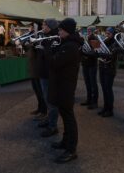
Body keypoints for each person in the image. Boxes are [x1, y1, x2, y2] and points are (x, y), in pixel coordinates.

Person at [47, 18, 82, 164]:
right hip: (63, 85)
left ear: (67, 31)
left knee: (68, 118)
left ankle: (71, 150)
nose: (59, 31)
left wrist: (48, 49)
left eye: (61, 30)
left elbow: (54, 62)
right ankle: (65, 142)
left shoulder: (70, 46)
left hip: (66, 87)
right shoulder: (67, 44)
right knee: (65, 115)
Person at [36, 19, 60, 137]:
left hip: (49, 74)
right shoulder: (45, 36)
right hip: (43, 72)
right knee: (46, 99)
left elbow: (52, 56)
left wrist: (43, 48)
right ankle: (48, 119)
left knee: (51, 101)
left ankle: (52, 126)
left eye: (44, 25)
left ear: (49, 26)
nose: (42, 26)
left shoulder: (55, 38)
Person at [22, 24, 47, 120]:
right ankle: (40, 108)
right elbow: (27, 49)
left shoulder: (40, 38)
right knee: (37, 92)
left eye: (32, 27)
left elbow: (40, 52)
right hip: (32, 69)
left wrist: (35, 42)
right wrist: (24, 43)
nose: (30, 29)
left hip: (38, 70)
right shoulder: (32, 37)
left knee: (41, 92)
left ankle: (44, 111)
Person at [97, 27, 118, 117]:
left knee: (108, 89)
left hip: (110, 68)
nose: (107, 35)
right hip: (102, 67)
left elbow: (111, 55)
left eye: (109, 34)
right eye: (106, 33)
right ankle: (105, 108)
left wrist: (100, 53)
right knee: (104, 89)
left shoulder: (115, 43)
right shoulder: (104, 42)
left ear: (113, 34)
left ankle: (110, 110)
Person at [80, 26, 99, 109]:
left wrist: (85, 53)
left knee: (93, 83)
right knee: (87, 83)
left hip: (92, 64)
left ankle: (94, 102)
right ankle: (89, 99)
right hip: (85, 63)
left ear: (93, 31)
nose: (88, 31)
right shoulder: (86, 38)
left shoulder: (95, 38)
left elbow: (96, 52)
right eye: (88, 30)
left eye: (90, 30)